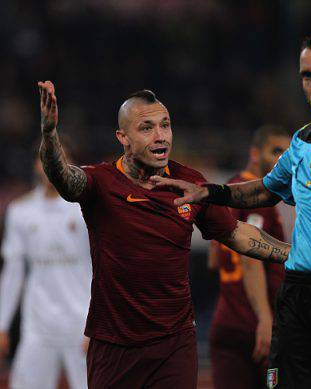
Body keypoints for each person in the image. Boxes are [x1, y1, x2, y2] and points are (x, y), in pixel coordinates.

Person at [151, 31, 311, 388]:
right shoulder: (301, 141)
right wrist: (210, 192)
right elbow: (264, 191)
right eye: (307, 76)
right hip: (300, 298)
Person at [36, 80, 290, 389]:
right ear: (123, 138)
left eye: (165, 126)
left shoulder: (189, 182)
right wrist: (50, 135)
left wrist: (297, 255)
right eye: (147, 128)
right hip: (114, 345)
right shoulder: (101, 182)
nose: (161, 137)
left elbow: (235, 233)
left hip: (174, 344)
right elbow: (63, 177)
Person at [209, 125, 291, 389]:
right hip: (255, 325)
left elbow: (213, 258)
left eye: (288, 153)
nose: (283, 159)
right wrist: (265, 319)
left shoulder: (229, 190)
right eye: (276, 151)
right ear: (255, 153)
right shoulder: (258, 197)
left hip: (225, 319)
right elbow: (251, 257)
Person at [0, 153, 91, 389]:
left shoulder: (86, 210)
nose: (50, 165)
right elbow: (13, 272)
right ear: (36, 164)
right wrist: (2, 324)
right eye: (44, 158)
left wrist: (100, 324)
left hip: (81, 324)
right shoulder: (21, 211)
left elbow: (104, 267)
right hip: (38, 326)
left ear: (70, 164)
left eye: (58, 158)